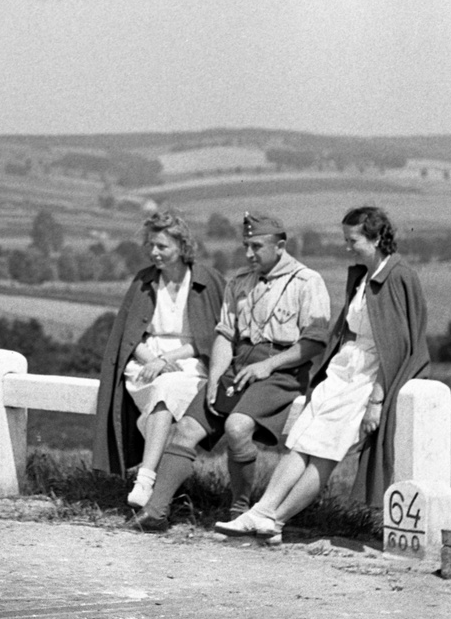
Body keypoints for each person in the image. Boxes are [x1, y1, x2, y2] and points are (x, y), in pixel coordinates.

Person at [216, 205, 430, 544]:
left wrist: (377, 398)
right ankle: (261, 511)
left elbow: (401, 345)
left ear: (375, 239)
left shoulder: (397, 275)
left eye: (353, 239)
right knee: (301, 440)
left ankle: (275, 518)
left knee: (325, 450)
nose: (347, 246)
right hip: (345, 369)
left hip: (369, 376)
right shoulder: (364, 276)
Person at [129, 212, 332, 532]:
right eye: (245, 246)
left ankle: (240, 505)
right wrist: (214, 379)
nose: (249, 254)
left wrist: (268, 365)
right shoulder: (240, 282)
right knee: (188, 429)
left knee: (237, 427)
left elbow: (314, 342)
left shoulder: (308, 281)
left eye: (256, 246)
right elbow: (224, 335)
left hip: (282, 371)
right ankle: (155, 512)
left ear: (280, 246)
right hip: (236, 368)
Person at [91, 211, 225, 507]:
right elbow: (129, 336)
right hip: (144, 363)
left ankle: (145, 481)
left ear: (182, 246)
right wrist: (152, 359)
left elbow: (212, 338)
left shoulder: (207, 280)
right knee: (161, 395)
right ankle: (158, 489)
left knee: (159, 405)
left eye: (162, 246)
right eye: (151, 245)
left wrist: (169, 359)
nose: (154, 253)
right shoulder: (144, 280)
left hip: (191, 362)